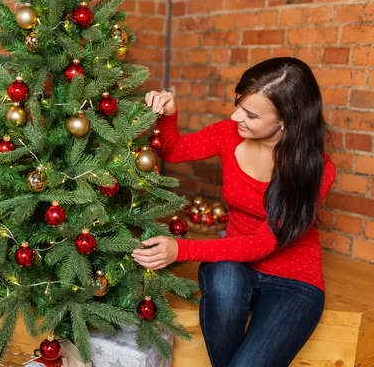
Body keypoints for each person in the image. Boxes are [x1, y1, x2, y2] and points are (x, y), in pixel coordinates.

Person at [132, 57, 336, 367]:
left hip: (295, 282)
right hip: (234, 267)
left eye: (250, 114)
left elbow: (262, 244)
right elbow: (175, 151)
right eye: (238, 104)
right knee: (224, 275)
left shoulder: (316, 169)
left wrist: (181, 249)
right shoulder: (230, 132)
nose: (235, 115)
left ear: (286, 120)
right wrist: (169, 116)